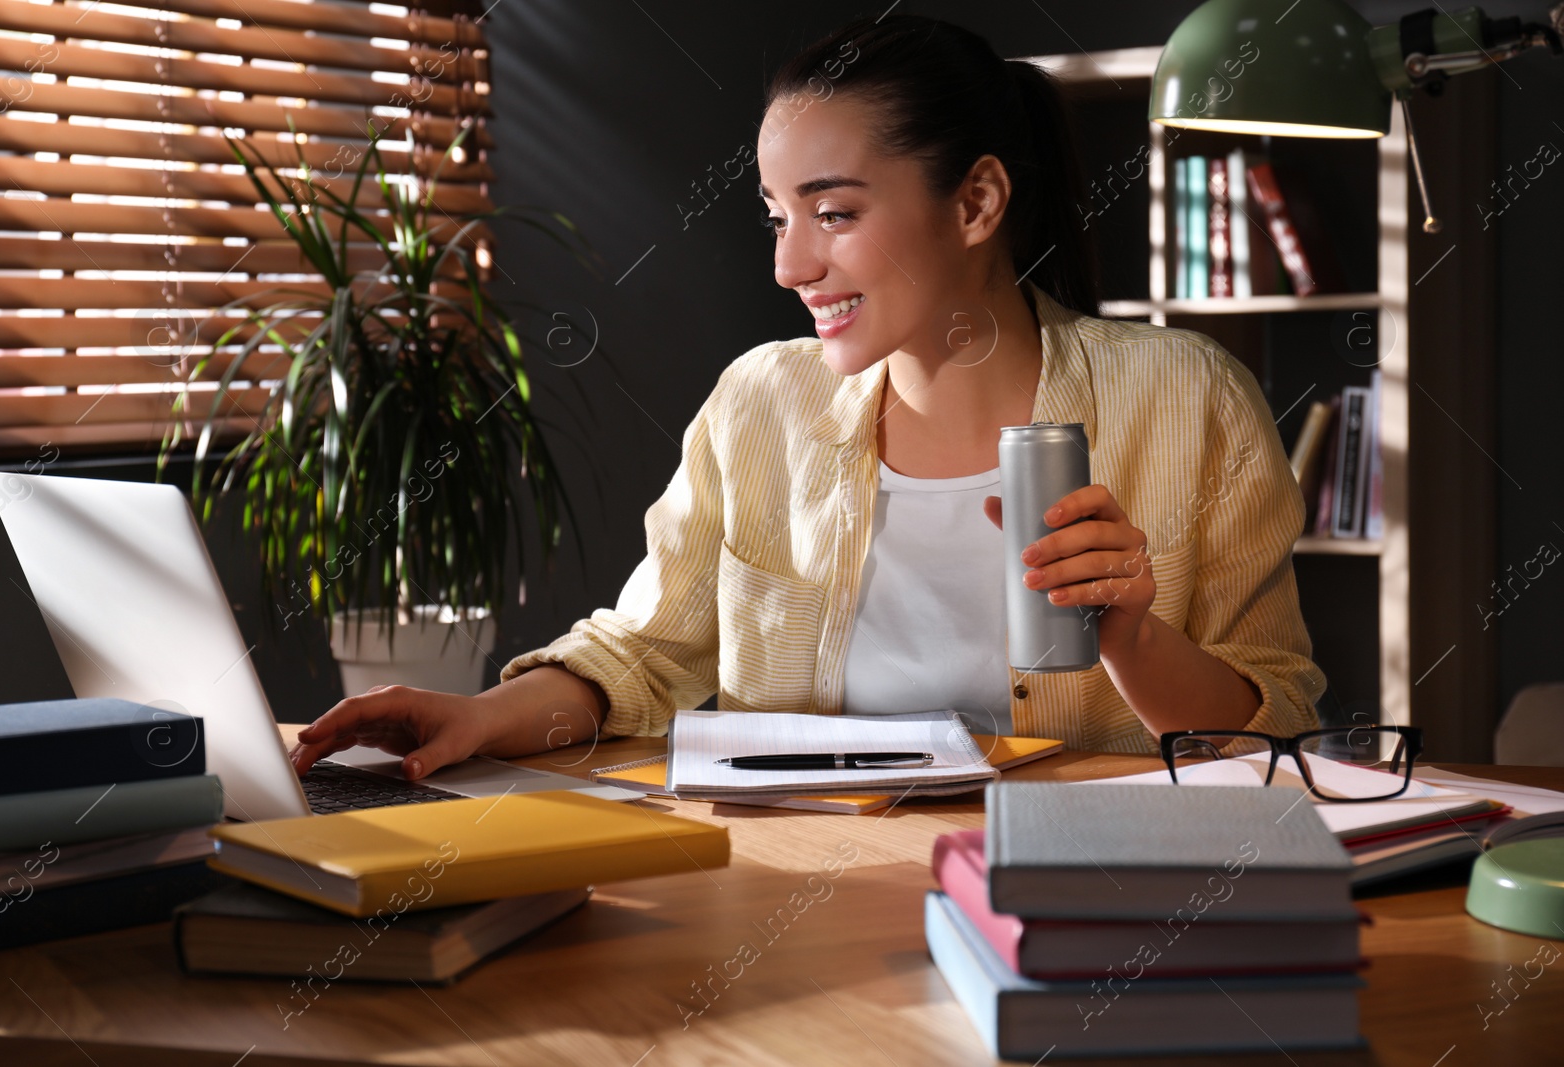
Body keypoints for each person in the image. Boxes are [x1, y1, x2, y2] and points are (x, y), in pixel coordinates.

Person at [290, 14, 1325, 781]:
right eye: (775, 216)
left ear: (975, 202)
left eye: (831, 213)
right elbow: (643, 654)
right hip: (797, 906)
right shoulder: (759, 404)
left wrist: (1131, 637)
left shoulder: (1187, 400)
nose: (791, 264)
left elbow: (1276, 740)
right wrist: (480, 715)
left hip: (1077, 902)